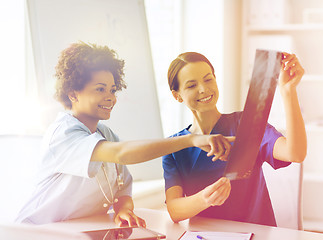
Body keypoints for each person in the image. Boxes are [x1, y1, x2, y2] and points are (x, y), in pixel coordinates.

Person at [15, 43, 234, 226]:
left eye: (112, 89)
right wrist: (191, 140)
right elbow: (122, 154)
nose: (110, 97)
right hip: (38, 232)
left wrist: (122, 209)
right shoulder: (63, 134)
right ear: (73, 93)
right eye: (100, 89)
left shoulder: (106, 134)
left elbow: (122, 190)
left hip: (80, 230)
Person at [162, 51, 307, 226]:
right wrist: (205, 199)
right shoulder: (175, 147)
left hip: (257, 235)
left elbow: (295, 153)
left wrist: (288, 90)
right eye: (192, 85)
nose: (203, 89)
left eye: (208, 79)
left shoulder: (246, 125)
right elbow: (174, 210)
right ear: (177, 95)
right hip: (206, 236)